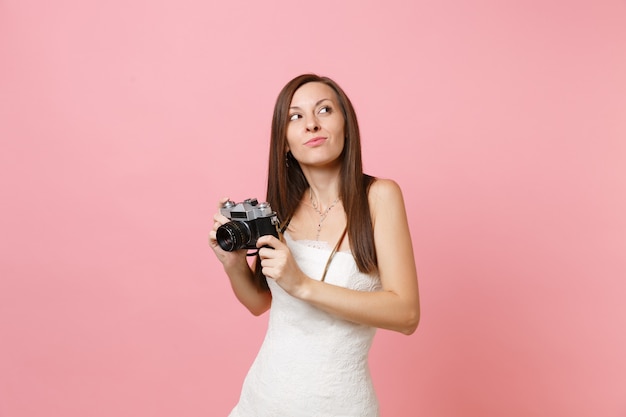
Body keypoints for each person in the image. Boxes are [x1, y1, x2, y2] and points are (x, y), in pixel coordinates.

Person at [209, 74, 420, 417]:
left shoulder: (380, 197)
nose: (311, 124)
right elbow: (260, 303)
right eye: (295, 116)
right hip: (261, 401)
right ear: (283, 142)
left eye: (324, 110)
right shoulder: (281, 210)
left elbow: (407, 315)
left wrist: (303, 285)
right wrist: (232, 264)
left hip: (341, 405)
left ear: (346, 126)